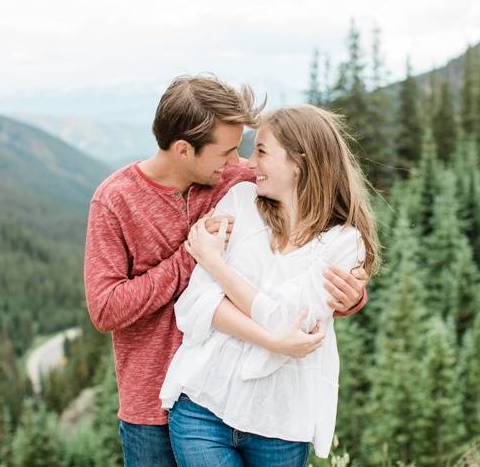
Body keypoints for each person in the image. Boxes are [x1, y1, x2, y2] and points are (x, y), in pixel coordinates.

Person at [83, 75, 370, 466]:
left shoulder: (236, 183)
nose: (240, 163)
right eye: (228, 151)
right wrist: (192, 257)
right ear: (185, 150)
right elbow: (105, 309)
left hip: (235, 394)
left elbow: (308, 222)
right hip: (151, 402)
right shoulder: (115, 201)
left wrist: (349, 294)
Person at [159, 104, 380, 466]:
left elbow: (288, 321)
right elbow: (196, 302)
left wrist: (215, 264)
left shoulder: (345, 243)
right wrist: (272, 340)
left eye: (261, 151)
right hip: (204, 405)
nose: (248, 162)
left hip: (280, 421)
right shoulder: (239, 202)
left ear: (299, 161)